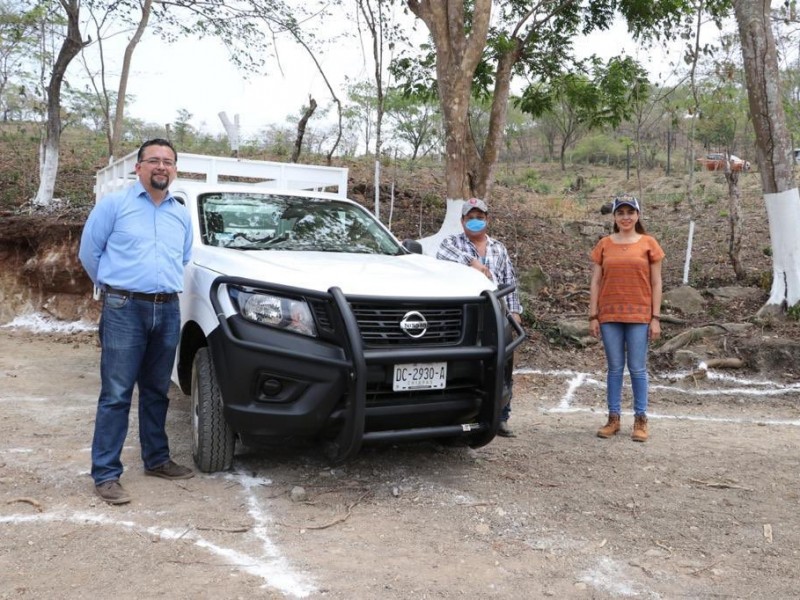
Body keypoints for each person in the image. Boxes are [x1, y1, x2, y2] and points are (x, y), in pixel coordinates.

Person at [79, 139, 194, 505]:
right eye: (154, 161)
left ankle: (157, 459)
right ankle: (106, 474)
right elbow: (89, 253)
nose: (162, 167)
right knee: (116, 394)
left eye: (168, 162)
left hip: (167, 308)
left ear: (175, 170)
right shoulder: (114, 205)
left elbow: (185, 256)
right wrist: (115, 290)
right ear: (138, 167)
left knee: (158, 389)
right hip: (125, 307)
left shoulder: (179, 213)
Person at [436, 197, 523, 437]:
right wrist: (472, 262)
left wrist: (515, 313)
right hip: (464, 316)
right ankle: (460, 414)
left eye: (480, 217)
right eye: (470, 218)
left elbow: (509, 280)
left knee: (503, 364)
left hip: (497, 314)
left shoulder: (498, 248)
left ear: (487, 220)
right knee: (467, 364)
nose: (475, 222)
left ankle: (502, 416)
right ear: (462, 221)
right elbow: (444, 256)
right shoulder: (451, 243)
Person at [588, 193, 664, 442]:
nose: (625, 217)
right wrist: (593, 315)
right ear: (614, 217)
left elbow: (656, 281)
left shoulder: (648, 243)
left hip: (640, 314)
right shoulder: (604, 244)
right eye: (620, 213)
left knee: (637, 369)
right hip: (610, 314)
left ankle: (641, 420)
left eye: (630, 212)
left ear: (638, 215)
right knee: (614, 369)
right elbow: (596, 281)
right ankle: (613, 418)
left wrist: (655, 317)